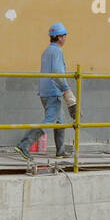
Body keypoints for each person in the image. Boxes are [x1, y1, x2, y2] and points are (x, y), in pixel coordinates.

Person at [18, 22, 73, 158]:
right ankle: (24, 145)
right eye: (65, 35)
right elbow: (57, 73)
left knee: (60, 122)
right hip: (53, 92)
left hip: (45, 91)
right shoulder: (57, 51)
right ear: (59, 37)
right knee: (49, 121)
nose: (66, 38)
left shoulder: (47, 51)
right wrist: (66, 90)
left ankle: (60, 151)